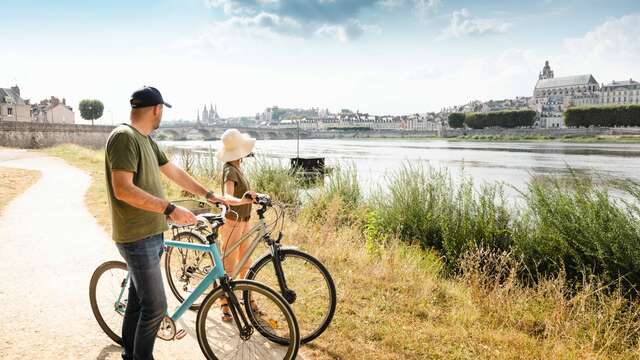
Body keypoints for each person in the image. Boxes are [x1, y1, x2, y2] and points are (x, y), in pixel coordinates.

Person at [105, 86, 226, 360]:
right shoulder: (124, 137)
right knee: (156, 308)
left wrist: (208, 194)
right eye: (162, 111)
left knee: (138, 303)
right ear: (157, 110)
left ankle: (129, 354)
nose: (162, 117)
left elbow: (174, 172)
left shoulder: (146, 140)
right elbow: (122, 188)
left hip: (151, 234)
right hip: (136, 238)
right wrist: (170, 208)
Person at [216, 128, 258, 321]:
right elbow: (227, 196)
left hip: (244, 222)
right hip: (232, 222)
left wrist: (254, 197)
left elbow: (243, 195)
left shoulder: (237, 167)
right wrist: (243, 201)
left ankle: (248, 298)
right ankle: (224, 303)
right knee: (229, 265)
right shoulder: (229, 170)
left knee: (246, 262)